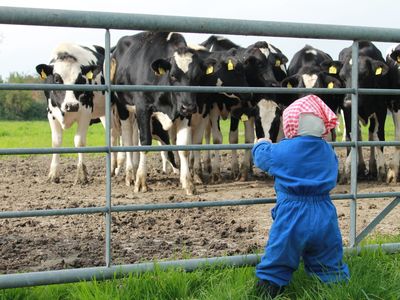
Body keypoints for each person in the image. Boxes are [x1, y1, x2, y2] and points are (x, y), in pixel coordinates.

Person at [252, 94, 350, 298]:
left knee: (279, 255)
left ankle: (268, 290)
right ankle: (336, 290)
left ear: (290, 124)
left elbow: (262, 158)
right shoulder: (327, 151)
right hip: (324, 213)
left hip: (292, 214)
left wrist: (261, 143)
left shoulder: (284, 149)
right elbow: (333, 171)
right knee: (328, 257)